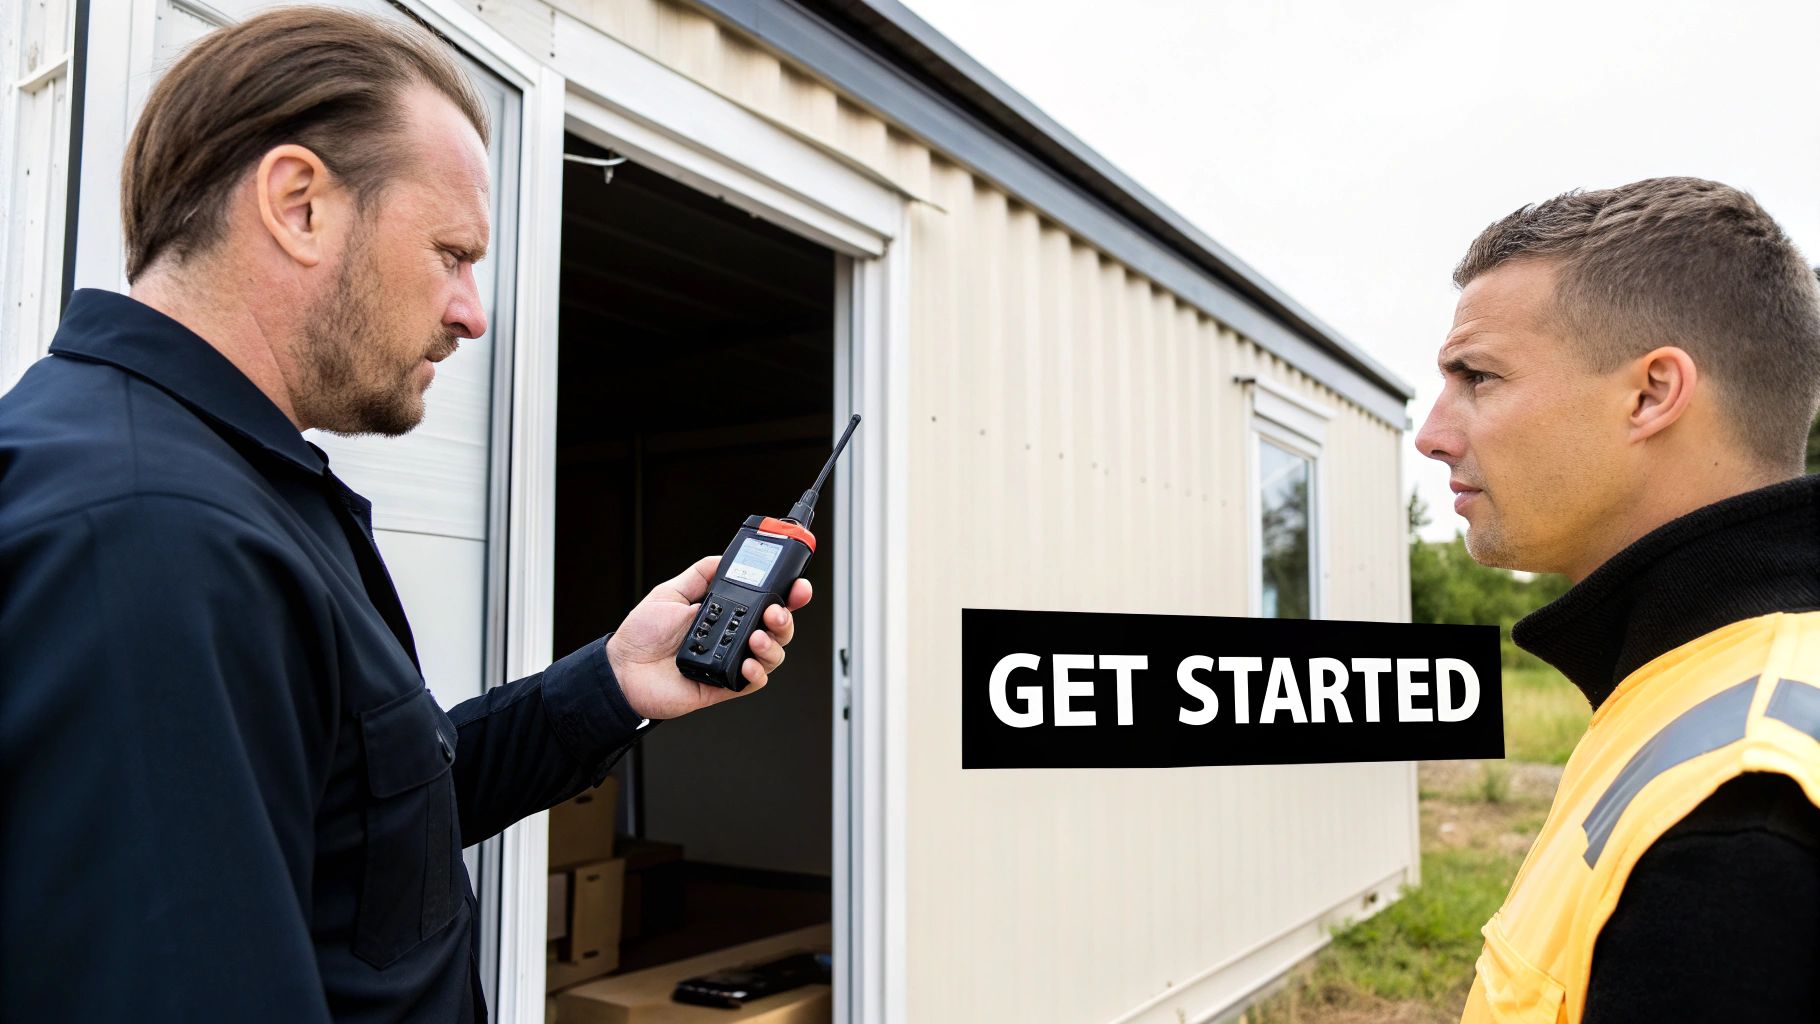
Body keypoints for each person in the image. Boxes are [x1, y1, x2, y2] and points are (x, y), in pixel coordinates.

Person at [0, 9, 809, 1021]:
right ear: (299, 206)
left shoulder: (229, 485)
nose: (472, 309)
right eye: (451, 252)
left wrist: (611, 682)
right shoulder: (147, 534)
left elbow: (369, 827)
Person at [1416, 177, 1820, 1022]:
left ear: (1652, 394)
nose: (1432, 433)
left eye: (1478, 377)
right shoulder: (1697, 683)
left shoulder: (1738, 821)